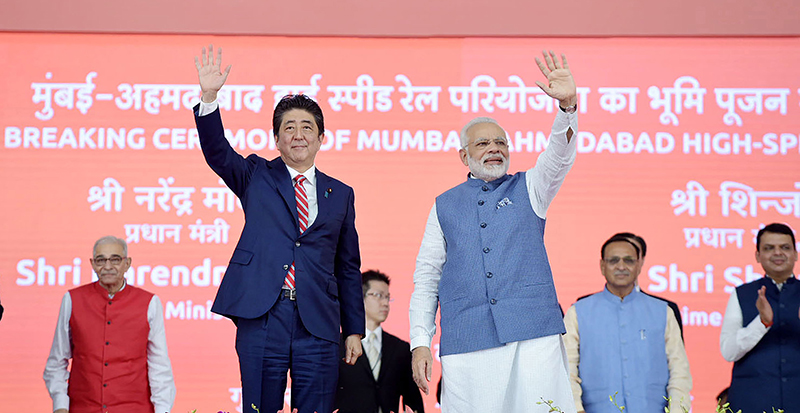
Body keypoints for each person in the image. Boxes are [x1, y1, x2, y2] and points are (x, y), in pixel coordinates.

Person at [193, 45, 364, 413]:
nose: (298, 134)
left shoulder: (341, 195)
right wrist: (209, 98)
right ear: (277, 139)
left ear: (321, 138)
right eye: (289, 127)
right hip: (263, 315)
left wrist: (353, 329)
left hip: (317, 321)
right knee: (259, 407)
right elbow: (218, 152)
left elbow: (347, 266)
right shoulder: (256, 175)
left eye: (307, 127)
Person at [409, 50, 579, 412]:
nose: (494, 149)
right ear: (463, 156)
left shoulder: (531, 187)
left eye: (500, 143)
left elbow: (559, 156)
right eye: (483, 143)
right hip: (467, 339)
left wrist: (567, 107)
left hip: (533, 334)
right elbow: (427, 277)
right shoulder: (444, 205)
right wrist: (420, 341)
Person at [43, 236, 175, 413]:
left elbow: (159, 364)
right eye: (101, 260)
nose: (107, 266)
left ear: (127, 263)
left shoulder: (150, 303)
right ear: (92, 263)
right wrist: (60, 405)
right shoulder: (72, 299)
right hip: (83, 407)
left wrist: (163, 409)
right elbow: (57, 361)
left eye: (115, 259)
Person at [563, 235, 692, 413]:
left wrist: (678, 409)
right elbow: (567, 368)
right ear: (602, 266)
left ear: (639, 265)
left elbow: (679, 370)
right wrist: (576, 409)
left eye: (629, 260)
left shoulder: (663, 311)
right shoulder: (578, 312)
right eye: (613, 260)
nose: (621, 266)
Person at [720, 223, 799, 413]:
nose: (778, 253)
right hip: (752, 402)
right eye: (769, 248)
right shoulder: (742, 293)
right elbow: (728, 351)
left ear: (796, 254)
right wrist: (762, 323)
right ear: (757, 256)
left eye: (785, 248)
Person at [335, 270, 425, 413]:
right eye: (378, 296)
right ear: (359, 298)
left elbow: (413, 400)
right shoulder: (337, 346)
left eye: (387, 297)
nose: (385, 303)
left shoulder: (400, 349)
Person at [611, 232, 684, 339]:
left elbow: (675, 354)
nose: (622, 265)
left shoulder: (665, 310)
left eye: (629, 257)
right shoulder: (583, 308)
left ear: (641, 261)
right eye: (615, 258)